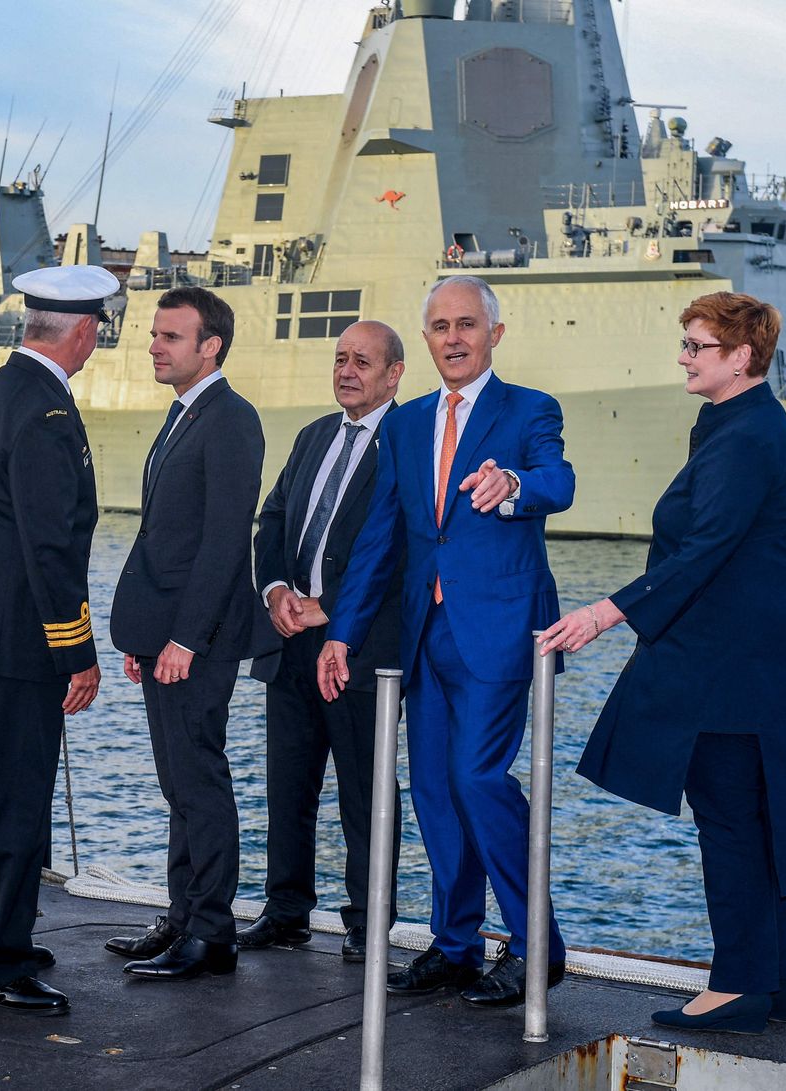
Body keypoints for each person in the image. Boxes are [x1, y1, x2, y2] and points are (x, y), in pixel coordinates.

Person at [539, 291, 786, 1034]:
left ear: (741, 356)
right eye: (686, 343)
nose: (684, 356)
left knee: (729, 816)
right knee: (753, 815)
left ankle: (740, 984)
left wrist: (603, 611)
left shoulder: (747, 437)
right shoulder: (737, 425)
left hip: (737, 667)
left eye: (697, 346)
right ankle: (771, 979)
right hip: (753, 658)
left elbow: (705, 547)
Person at [318, 275, 573, 1007]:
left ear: (495, 332)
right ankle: (456, 943)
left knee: (477, 779)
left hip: (497, 631)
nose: (453, 337)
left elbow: (559, 479)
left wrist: (515, 484)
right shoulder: (406, 422)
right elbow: (380, 537)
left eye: (467, 324)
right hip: (425, 634)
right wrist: (344, 633)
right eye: (439, 326)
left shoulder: (530, 408)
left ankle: (535, 945)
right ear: (424, 339)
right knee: (432, 791)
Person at [0, 263, 119, 1017]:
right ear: (82, 331)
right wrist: (76, 651)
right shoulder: (45, 413)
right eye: (97, 330)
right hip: (23, 643)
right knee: (16, 802)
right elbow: (50, 545)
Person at [106, 286, 278, 981]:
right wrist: (147, 635)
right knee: (178, 782)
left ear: (210, 346)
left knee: (200, 780)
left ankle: (211, 933)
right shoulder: (186, 414)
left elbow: (221, 543)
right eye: (155, 334)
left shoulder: (231, 419)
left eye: (170, 336)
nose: (154, 345)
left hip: (196, 642)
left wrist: (182, 638)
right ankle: (182, 916)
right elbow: (166, 536)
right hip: (165, 638)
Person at [242, 320, 406, 963]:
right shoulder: (314, 436)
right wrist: (277, 591)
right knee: (288, 788)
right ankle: (285, 914)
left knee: (366, 795)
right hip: (289, 646)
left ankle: (370, 924)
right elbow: (273, 520)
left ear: (394, 373)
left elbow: (409, 551)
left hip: (360, 650)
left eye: (363, 361)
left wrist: (329, 610)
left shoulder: (409, 441)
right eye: (340, 359)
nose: (347, 371)